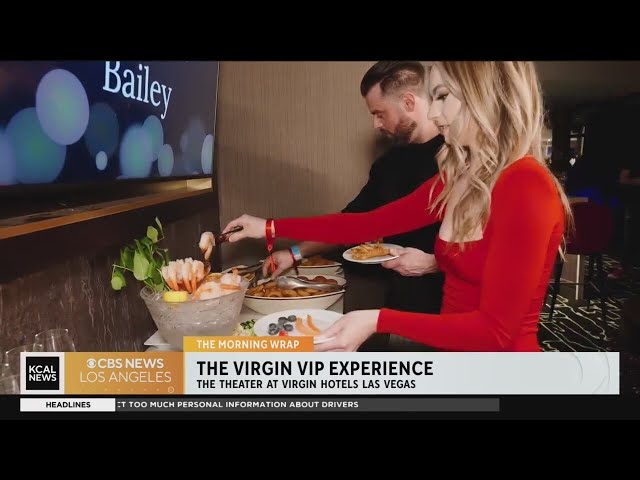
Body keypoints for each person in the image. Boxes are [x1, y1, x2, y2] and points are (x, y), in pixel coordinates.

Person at [221, 61, 573, 352]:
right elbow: (365, 223)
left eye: (442, 97)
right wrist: (267, 226)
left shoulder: (526, 184)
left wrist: (377, 319)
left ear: (483, 94)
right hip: (454, 364)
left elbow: (495, 333)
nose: (433, 113)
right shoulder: (458, 177)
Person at [264, 61, 445, 315]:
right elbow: (353, 222)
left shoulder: (459, 159)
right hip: (400, 307)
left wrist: (434, 264)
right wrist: (294, 253)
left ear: (408, 102)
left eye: (379, 113)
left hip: (451, 311)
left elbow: (490, 251)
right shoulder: (389, 164)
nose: (376, 125)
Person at [609, 157, 640, 280]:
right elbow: (623, 179)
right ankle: (625, 266)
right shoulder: (633, 158)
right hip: (635, 203)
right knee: (631, 236)